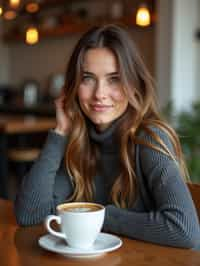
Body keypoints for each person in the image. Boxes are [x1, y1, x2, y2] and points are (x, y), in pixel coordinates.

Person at [14, 24, 200, 249]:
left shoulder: (149, 138)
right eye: (88, 79)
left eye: (114, 79)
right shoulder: (77, 141)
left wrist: (98, 217)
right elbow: (31, 215)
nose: (99, 94)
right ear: (73, 86)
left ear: (133, 84)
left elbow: (183, 230)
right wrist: (60, 132)